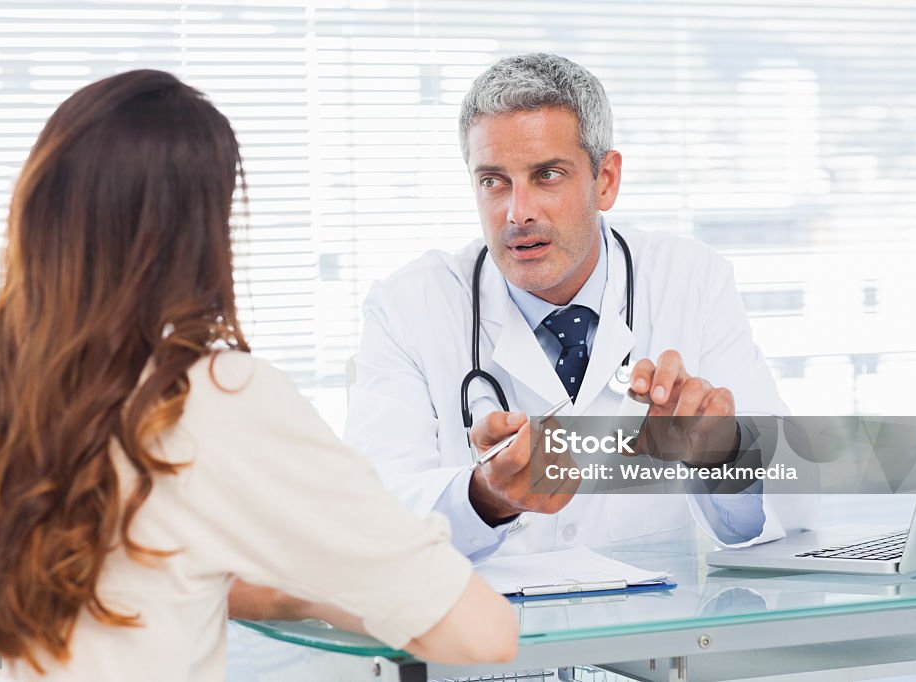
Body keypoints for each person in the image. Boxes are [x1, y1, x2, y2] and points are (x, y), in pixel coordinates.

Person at [0, 69, 516, 681]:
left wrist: (267, 591)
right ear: (201, 236)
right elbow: (482, 633)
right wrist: (318, 594)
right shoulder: (219, 398)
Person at [344, 53, 815, 561]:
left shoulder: (693, 280)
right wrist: (485, 497)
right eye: (493, 181)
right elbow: (371, 520)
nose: (517, 213)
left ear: (605, 180)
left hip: (655, 633)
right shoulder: (407, 308)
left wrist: (723, 455)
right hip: (489, 633)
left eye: (547, 175)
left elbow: (797, 508)